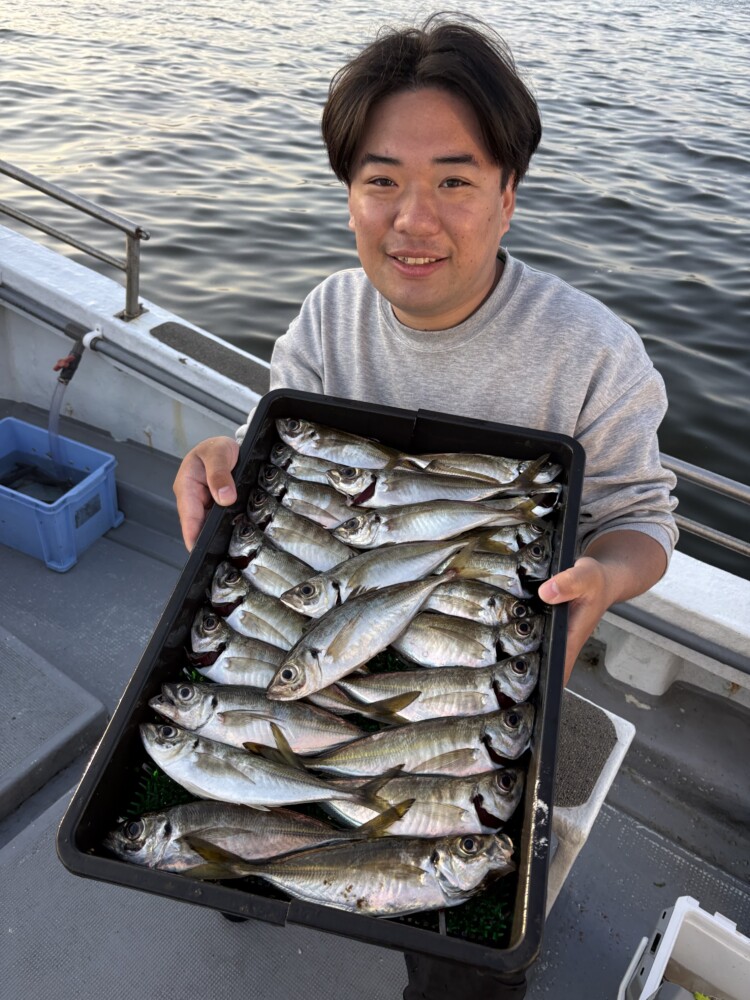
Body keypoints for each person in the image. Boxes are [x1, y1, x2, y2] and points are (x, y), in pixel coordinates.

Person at [173, 13, 677, 998]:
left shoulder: (592, 353)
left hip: (488, 682)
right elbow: (282, 473)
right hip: (323, 647)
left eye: (454, 179)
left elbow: (643, 523)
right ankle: (255, 858)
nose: (414, 218)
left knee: (466, 951)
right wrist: (226, 458)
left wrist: (604, 580)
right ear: (349, 194)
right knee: (228, 823)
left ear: (509, 193)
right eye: (381, 181)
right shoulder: (326, 314)